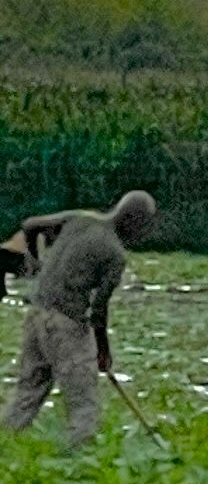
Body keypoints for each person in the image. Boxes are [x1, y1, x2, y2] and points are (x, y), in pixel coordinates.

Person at [4, 190, 159, 444]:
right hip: (66, 323)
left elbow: (30, 225)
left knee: (28, 392)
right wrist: (103, 351)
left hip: (36, 314)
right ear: (134, 222)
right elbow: (98, 309)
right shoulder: (114, 254)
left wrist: (34, 265)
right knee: (84, 402)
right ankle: (78, 462)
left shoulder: (80, 219)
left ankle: (5, 444)